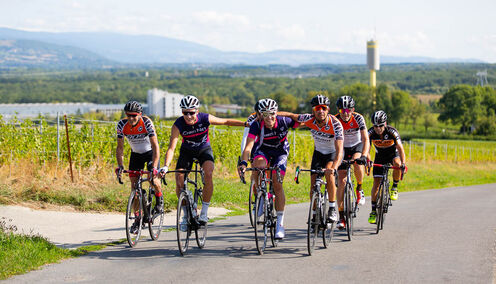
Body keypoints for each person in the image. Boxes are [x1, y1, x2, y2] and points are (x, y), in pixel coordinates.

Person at [160, 95, 245, 225]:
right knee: (179, 179)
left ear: (197, 111)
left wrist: (246, 124)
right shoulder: (178, 124)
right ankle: (185, 215)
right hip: (187, 151)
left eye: (191, 113)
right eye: (185, 113)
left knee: (208, 174)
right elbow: (171, 148)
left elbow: (225, 121)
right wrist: (166, 165)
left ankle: (204, 212)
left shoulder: (205, 118)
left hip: (203, 149)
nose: (188, 116)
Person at [238, 98, 300, 239]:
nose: (269, 118)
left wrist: (288, 114)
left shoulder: (284, 121)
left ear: (276, 113)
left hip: (280, 153)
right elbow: (248, 146)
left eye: (272, 114)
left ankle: (280, 224)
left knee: (277, 184)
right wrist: (243, 162)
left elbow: (301, 121)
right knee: (258, 167)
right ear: (261, 115)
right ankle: (261, 196)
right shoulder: (256, 124)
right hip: (263, 150)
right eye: (265, 114)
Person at [278, 94, 344, 224]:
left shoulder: (335, 124)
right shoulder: (309, 119)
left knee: (329, 173)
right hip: (318, 153)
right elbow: (291, 115)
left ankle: (332, 209)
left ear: (328, 110)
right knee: (313, 185)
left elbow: (340, 150)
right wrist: (272, 114)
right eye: (317, 108)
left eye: (323, 108)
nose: (320, 111)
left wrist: (335, 167)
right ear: (313, 110)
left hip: (333, 153)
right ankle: (314, 214)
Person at [115, 100, 163, 233]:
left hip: (149, 154)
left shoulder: (146, 122)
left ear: (140, 114)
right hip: (135, 155)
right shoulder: (121, 125)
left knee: (153, 179)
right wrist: (120, 166)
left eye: (134, 115)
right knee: (134, 188)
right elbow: (120, 148)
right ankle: (138, 219)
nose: (131, 118)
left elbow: (155, 146)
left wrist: (154, 166)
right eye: (128, 115)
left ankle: (159, 201)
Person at [334, 96, 369, 230]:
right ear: (339, 110)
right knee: (341, 182)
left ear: (353, 110)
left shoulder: (358, 118)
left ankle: (359, 188)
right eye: (342, 110)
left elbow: (365, 139)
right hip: (342, 148)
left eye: (348, 110)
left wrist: (364, 155)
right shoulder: (335, 119)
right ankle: (341, 217)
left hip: (356, 145)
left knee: (357, 163)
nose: (345, 113)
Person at [367, 110, 407, 224]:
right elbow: (367, 148)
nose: (378, 128)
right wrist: (368, 159)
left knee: (397, 164)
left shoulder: (392, 132)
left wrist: (403, 163)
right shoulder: (370, 132)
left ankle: (394, 186)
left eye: (380, 126)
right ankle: (373, 211)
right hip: (380, 156)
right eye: (375, 126)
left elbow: (400, 148)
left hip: (393, 154)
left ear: (385, 124)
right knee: (376, 183)